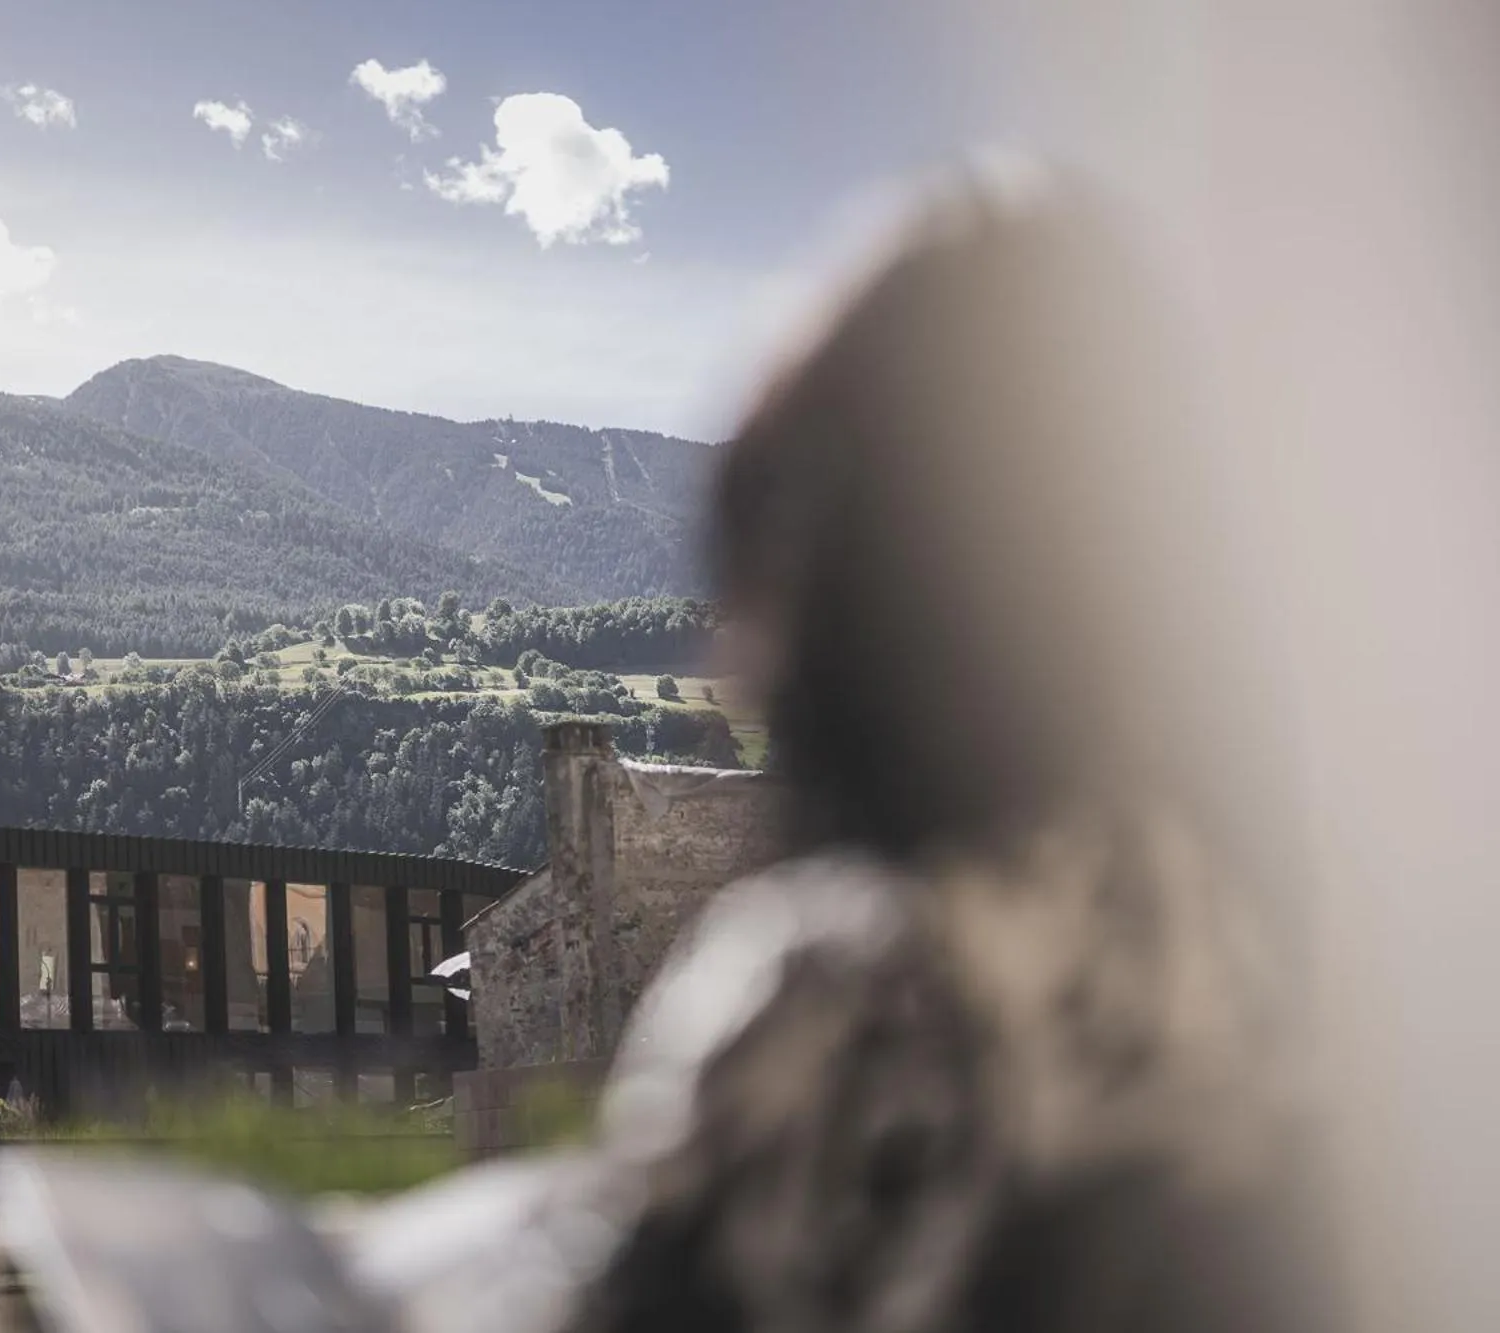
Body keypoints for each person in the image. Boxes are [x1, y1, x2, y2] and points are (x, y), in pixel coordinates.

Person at [348, 160, 1343, 1333]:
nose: (738, 652)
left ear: (863, 595)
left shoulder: (848, 991)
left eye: (759, 565)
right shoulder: (1282, 960)